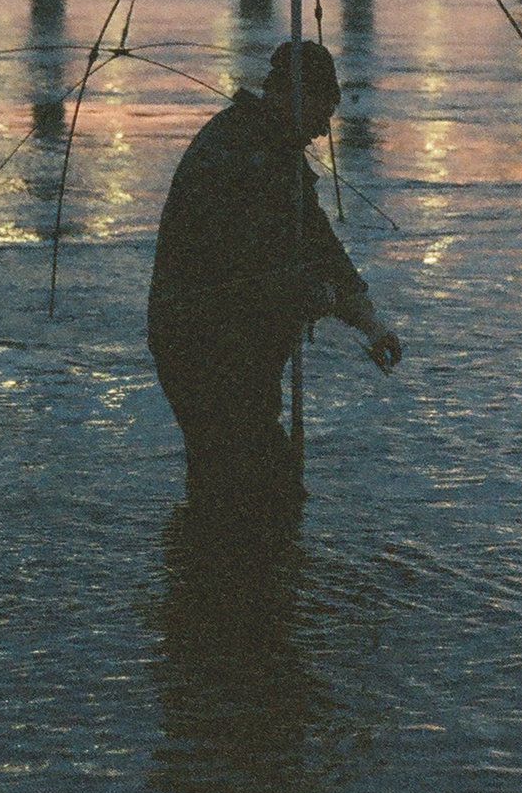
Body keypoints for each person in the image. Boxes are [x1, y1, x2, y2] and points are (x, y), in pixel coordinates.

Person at [148, 40, 401, 520]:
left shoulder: (278, 150)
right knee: (249, 488)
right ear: (293, 100)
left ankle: (213, 575)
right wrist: (310, 295)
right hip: (202, 348)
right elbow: (244, 265)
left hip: (242, 350)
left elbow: (317, 243)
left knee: (256, 486)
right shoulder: (235, 155)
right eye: (321, 114)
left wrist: (370, 322)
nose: (324, 131)